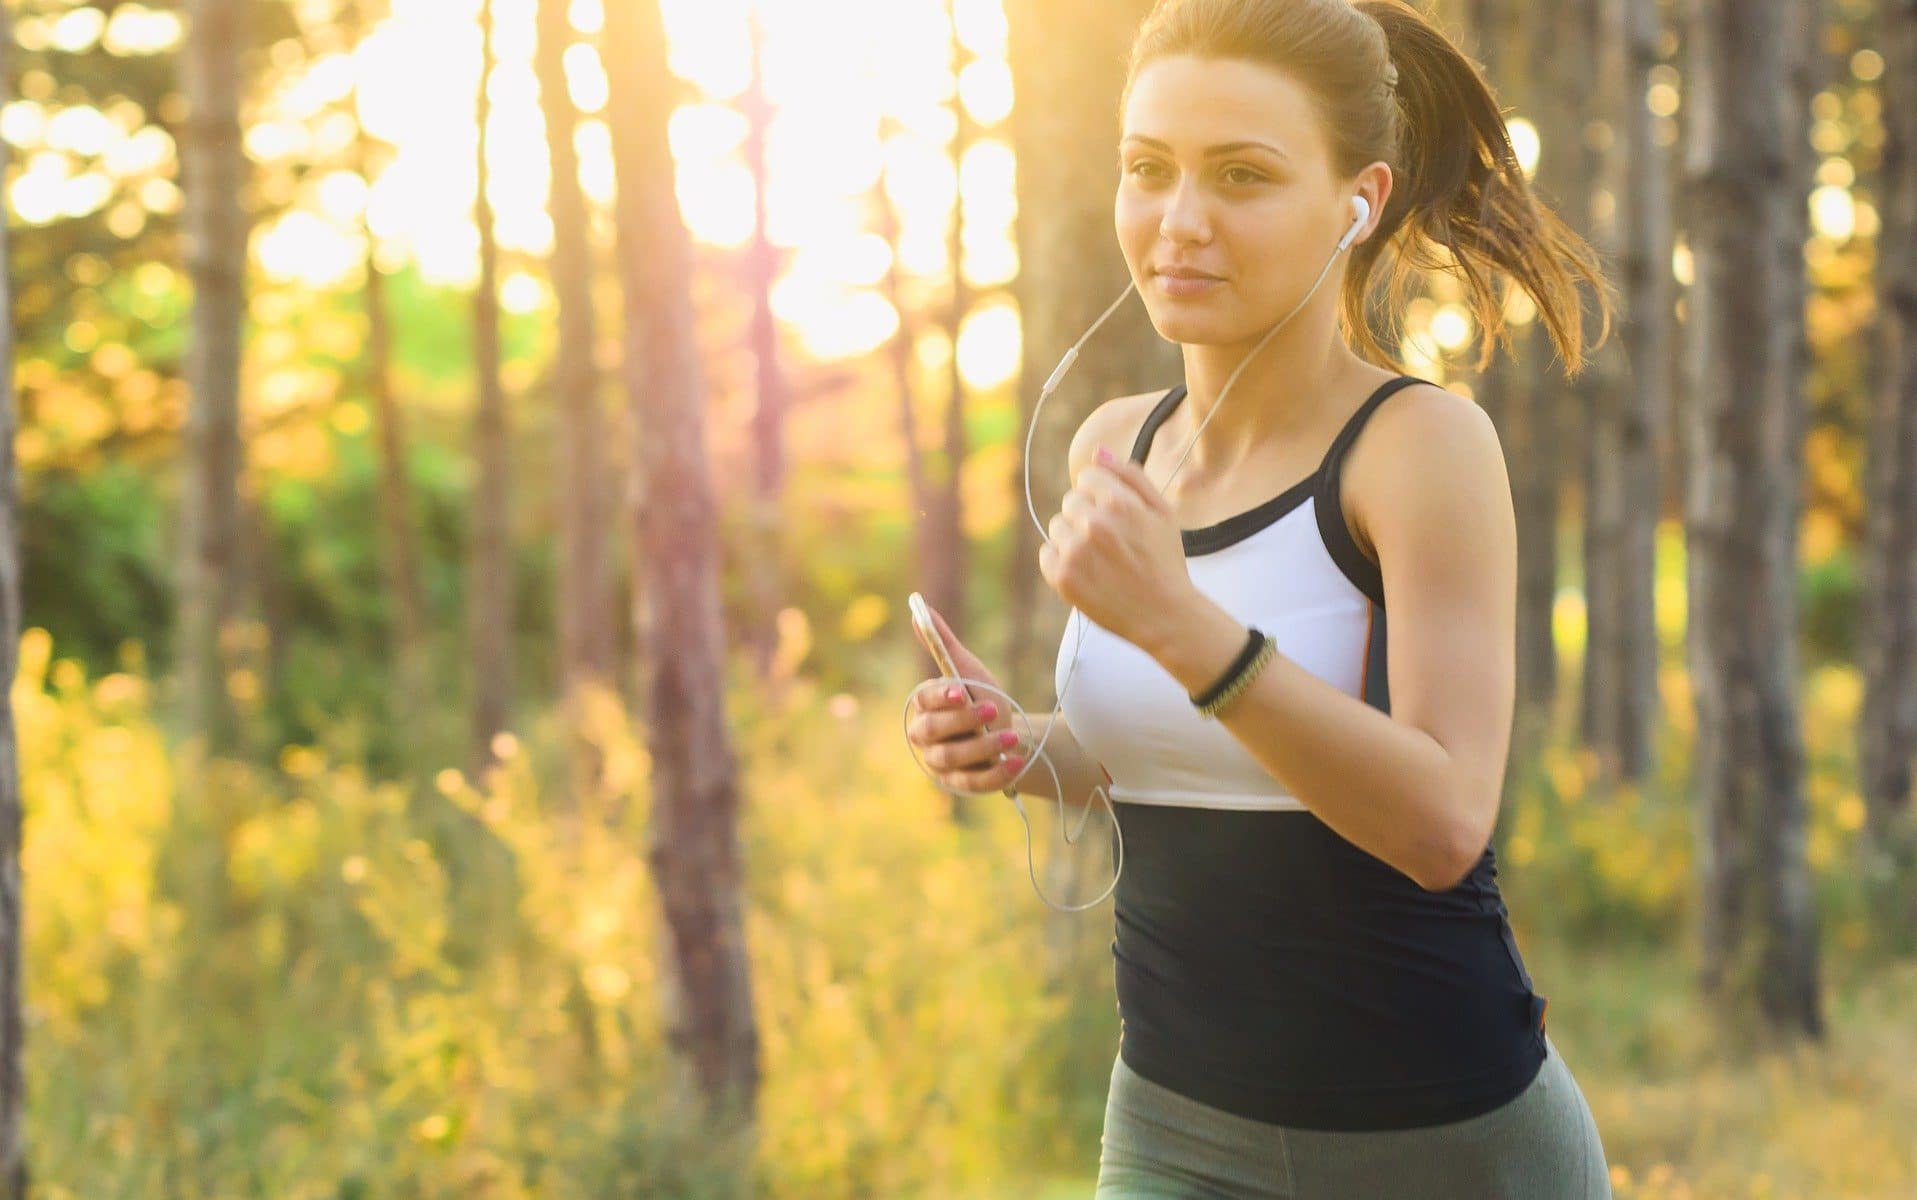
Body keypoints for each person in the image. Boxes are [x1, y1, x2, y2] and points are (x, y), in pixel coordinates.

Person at [907, 0, 1619, 1193]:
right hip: (1176, 1125)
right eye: (1149, 169)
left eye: (1242, 175)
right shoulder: (1114, 443)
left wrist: (1184, 630)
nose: (1181, 223)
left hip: (1445, 1142)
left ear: (1361, 199)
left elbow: (1444, 824)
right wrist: (1024, 749)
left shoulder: (1419, 448)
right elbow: (1166, 755)